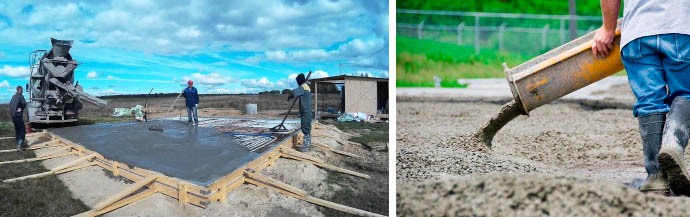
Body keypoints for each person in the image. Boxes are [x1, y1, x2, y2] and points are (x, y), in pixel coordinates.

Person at [594, 0, 690, 195]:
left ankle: (656, 177)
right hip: (681, 26)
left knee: (649, 101)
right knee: (685, 93)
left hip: (637, 31)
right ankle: (672, 144)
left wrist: (607, 28)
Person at [288, 73, 312, 152]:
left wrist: (289, 96)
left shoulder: (303, 88)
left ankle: (306, 147)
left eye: (297, 81)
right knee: (306, 129)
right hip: (307, 111)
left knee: (306, 129)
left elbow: (294, 93)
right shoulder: (306, 87)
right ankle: (307, 145)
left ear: (299, 81)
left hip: (305, 111)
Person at [9, 86, 27, 151]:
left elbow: (10, 104)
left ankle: (18, 144)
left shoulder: (13, 96)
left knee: (17, 130)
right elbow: (24, 103)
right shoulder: (20, 96)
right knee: (23, 131)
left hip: (13, 116)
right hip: (18, 116)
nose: (22, 91)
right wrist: (21, 108)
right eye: (22, 90)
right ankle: (19, 146)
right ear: (20, 90)